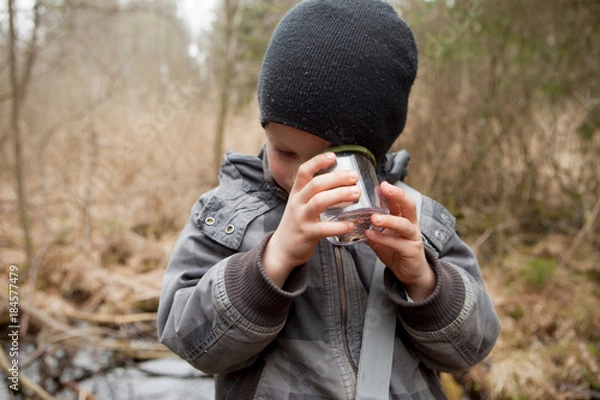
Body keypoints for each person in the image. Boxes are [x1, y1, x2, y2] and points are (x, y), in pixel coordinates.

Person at [157, 0, 501, 398]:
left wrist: (422, 280)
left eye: (332, 161)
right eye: (284, 151)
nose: (304, 174)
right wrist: (271, 263)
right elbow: (189, 341)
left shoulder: (416, 219)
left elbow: (472, 348)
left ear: (372, 152)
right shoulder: (227, 215)